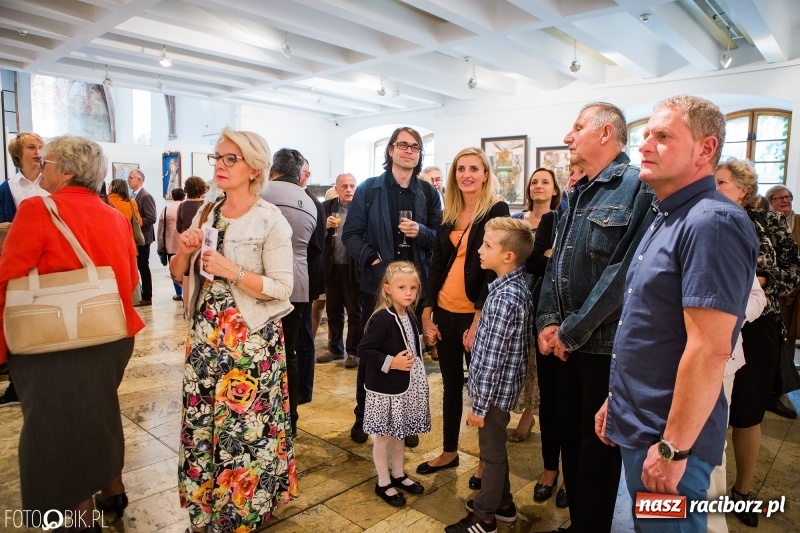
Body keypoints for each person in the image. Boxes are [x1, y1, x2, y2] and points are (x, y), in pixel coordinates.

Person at [595, 95, 759, 533]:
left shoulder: (711, 222)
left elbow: (709, 350)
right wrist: (618, 399)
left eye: (663, 136)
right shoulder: (668, 215)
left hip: (668, 440)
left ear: (706, 149)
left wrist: (673, 449)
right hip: (643, 421)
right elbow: (652, 329)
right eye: (646, 134)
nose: (645, 145)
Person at [0, 135, 145, 531]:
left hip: (54, 337)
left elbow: (6, 279)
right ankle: (112, 488)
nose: (40, 168)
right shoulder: (113, 215)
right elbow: (131, 278)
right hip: (111, 333)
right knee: (97, 413)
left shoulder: (37, 209)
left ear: (65, 171)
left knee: (54, 431)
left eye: (45, 162)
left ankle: (78, 519)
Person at [535, 102, 655, 533]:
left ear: (606, 133)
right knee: (569, 439)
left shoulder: (638, 187)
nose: (568, 136)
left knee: (597, 450)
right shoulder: (576, 191)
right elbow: (554, 264)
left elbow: (623, 273)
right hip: (564, 344)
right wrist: (548, 320)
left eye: (577, 127)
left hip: (603, 347)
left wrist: (571, 330)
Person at [170, 127, 297, 532]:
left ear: (254, 168)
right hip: (206, 335)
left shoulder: (270, 219)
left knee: (245, 428)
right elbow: (178, 271)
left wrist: (234, 270)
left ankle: (242, 511)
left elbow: (283, 288)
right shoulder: (207, 212)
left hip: (250, 340)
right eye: (217, 158)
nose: (220, 166)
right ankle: (205, 508)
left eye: (231, 159)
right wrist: (184, 250)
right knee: (203, 422)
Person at [341, 126, 442, 446]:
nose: (408, 151)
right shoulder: (369, 189)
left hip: (413, 290)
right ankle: (363, 416)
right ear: (391, 150)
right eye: (403, 145)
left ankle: (406, 419)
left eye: (415, 147)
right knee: (372, 352)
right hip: (378, 287)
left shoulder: (428, 193)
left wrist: (420, 232)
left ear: (419, 154)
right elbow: (350, 234)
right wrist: (372, 259)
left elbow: (439, 238)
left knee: (410, 354)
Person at [713, 157, 800, 527]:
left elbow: (792, 270)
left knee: (747, 415)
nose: (713, 188)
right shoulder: (702, 220)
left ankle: (742, 491)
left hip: (757, 326)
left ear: (743, 190)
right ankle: (709, 494)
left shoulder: (768, 222)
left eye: (720, 182)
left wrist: (760, 282)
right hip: (714, 323)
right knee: (711, 415)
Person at [417, 147, 509, 476]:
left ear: (485, 174)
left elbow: (494, 271)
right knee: (451, 384)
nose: (466, 175)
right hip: (445, 311)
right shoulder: (449, 212)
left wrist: (479, 318)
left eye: (473, 168)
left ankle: (486, 461)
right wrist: (427, 311)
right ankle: (449, 451)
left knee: (483, 389)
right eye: (460, 169)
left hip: (475, 314)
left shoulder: (497, 210)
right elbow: (437, 264)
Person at [446, 218, 534, 533]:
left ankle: (485, 517)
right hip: (499, 392)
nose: (480, 250)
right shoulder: (512, 288)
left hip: (493, 397)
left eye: (487, 245)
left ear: (508, 256)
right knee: (494, 450)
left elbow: (493, 360)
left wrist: (479, 407)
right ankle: (504, 505)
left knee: (492, 456)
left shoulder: (504, 298)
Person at [359, 261, 429, 507]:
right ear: (388, 289)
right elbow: (365, 350)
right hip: (385, 390)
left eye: (413, 288)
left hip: (404, 388)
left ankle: (398, 474)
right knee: (383, 437)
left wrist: (425, 341)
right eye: (402, 287)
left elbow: (409, 343)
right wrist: (392, 362)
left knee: (399, 434)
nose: (409, 293)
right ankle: (383, 481)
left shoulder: (409, 315)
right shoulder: (382, 319)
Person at [262, 148, 318, 434]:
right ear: (299, 173)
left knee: (263, 351)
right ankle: (291, 418)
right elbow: (315, 249)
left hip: (266, 280)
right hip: (298, 282)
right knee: (290, 351)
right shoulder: (311, 202)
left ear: (272, 170)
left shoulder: (263, 192)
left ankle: (265, 412)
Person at [509, 168, 561, 442]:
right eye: (534, 182)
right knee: (517, 355)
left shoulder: (559, 221)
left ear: (555, 190)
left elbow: (554, 260)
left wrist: (545, 257)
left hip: (542, 295)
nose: (538, 186)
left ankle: (529, 416)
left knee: (534, 359)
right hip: (516, 292)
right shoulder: (517, 220)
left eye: (545, 182)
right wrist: (543, 255)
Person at [0, 132, 48, 408]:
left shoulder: (52, 184)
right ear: (18, 155)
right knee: (20, 326)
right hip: (20, 268)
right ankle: (17, 385)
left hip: (50, 269)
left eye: (41, 146)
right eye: (31, 147)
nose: (38, 151)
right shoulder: (6, 189)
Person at [318, 173, 361, 365]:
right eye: (344, 186)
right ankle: (335, 349)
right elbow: (314, 234)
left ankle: (353, 351)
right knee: (333, 311)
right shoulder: (326, 207)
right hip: (332, 267)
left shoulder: (361, 208)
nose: (349, 190)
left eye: (352, 186)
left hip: (353, 268)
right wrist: (323, 226)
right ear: (336, 189)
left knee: (355, 312)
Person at [296, 157, 326, 404]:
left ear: (306, 175)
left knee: (304, 335)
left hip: (305, 278)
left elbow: (316, 248)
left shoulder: (313, 204)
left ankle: (304, 390)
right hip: (294, 278)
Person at [766, 184, 800, 391]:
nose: (785, 200)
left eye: (788, 197)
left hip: (797, 290)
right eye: (779, 198)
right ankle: (776, 383)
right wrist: (784, 290)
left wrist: (793, 289)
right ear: (770, 202)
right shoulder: (766, 223)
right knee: (779, 337)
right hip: (775, 292)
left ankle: (789, 381)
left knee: (793, 334)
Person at [128, 169, 156, 306]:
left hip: (143, 238)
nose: (128, 180)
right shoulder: (132, 195)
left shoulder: (146, 196)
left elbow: (151, 218)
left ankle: (147, 296)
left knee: (143, 267)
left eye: (131, 177)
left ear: (139, 180)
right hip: (135, 237)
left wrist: (136, 222)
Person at [158, 187, 185, 301]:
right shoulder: (186, 208)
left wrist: (160, 245)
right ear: (184, 196)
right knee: (186, 269)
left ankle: (179, 293)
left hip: (170, 245)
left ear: (172, 197)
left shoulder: (166, 210)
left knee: (174, 269)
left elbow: (161, 230)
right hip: (185, 244)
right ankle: (186, 292)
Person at [107, 178, 143, 249]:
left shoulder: (106, 200)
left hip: (111, 239)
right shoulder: (131, 202)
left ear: (113, 187)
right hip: (127, 239)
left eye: (109, 185)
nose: (108, 187)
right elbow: (139, 222)